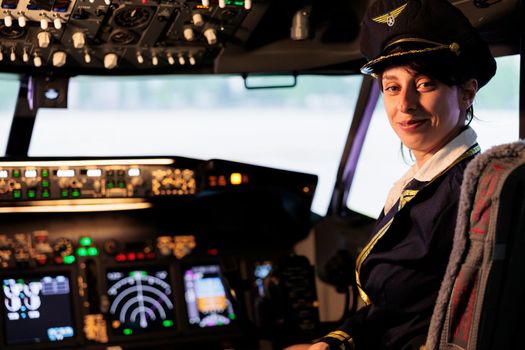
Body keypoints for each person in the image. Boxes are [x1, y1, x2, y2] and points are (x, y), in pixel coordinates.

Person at [286, 0, 496, 349]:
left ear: (467, 93)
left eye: (425, 84)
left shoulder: (465, 196)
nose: (405, 104)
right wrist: (334, 342)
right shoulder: (426, 182)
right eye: (392, 87)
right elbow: (398, 313)